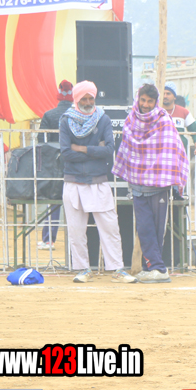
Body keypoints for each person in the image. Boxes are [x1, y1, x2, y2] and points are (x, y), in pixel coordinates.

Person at [58, 81, 135, 284]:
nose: (87, 102)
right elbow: (66, 153)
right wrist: (95, 149)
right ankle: (83, 269)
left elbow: (108, 150)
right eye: (83, 99)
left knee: (110, 227)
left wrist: (81, 148)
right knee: (76, 230)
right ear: (76, 99)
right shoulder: (66, 120)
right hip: (73, 181)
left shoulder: (103, 119)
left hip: (99, 181)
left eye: (90, 98)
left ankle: (117, 269)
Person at [111, 83, 189, 284]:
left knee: (156, 229)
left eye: (150, 101)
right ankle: (151, 268)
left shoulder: (163, 119)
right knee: (144, 228)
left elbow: (171, 148)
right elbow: (128, 147)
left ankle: (158, 268)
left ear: (156, 102)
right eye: (143, 100)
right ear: (138, 99)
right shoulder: (131, 118)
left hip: (158, 184)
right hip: (137, 184)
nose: (145, 105)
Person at [37, 79, 73, 251]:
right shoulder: (77, 115)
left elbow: (41, 142)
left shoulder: (49, 115)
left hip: (54, 165)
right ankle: (76, 242)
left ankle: (48, 240)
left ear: (58, 96)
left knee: (53, 202)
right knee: (76, 204)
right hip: (74, 163)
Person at [161, 82, 196, 157]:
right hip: (161, 152)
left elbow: (195, 129)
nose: (165, 96)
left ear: (174, 97)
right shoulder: (155, 111)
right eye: (163, 93)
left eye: (168, 94)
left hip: (179, 153)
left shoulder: (184, 112)